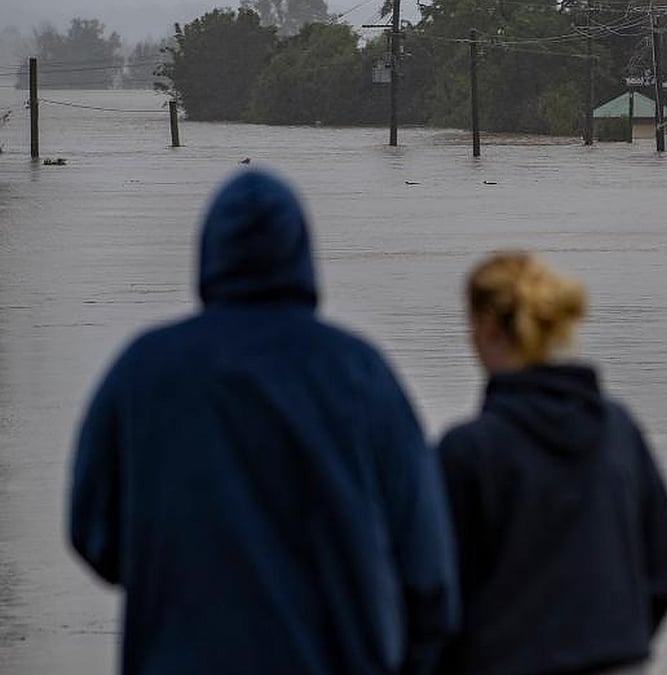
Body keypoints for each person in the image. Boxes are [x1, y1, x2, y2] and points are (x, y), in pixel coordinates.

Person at [69, 170, 459, 675]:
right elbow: (426, 567)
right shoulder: (360, 374)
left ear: (209, 253)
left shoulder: (143, 370)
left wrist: (173, 564)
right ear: (302, 255)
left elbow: (92, 531)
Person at [437, 251, 667, 675]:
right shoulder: (618, 430)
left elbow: (433, 588)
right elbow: (665, 570)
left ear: (488, 326)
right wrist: (617, 638)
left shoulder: (469, 450)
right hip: (618, 660)